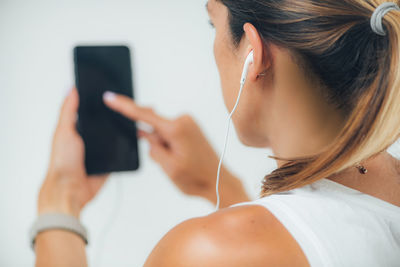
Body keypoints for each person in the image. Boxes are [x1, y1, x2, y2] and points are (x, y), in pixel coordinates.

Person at [32, 0, 400, 266]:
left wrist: (59, 202)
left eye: (214, 23)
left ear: (252, 55)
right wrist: (217, 185)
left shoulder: (202, 253)